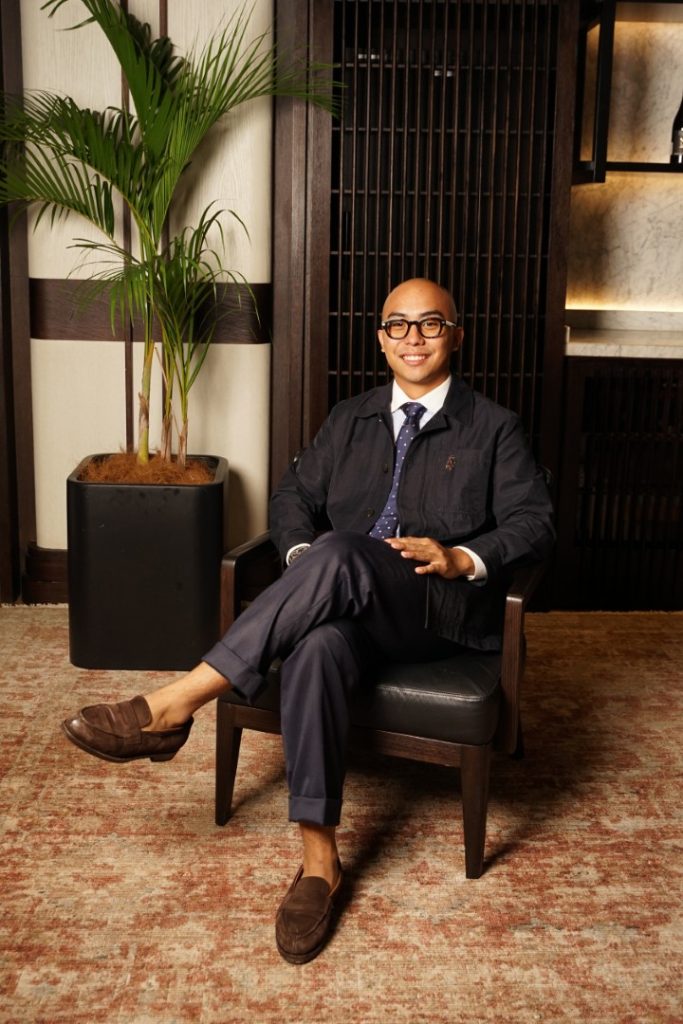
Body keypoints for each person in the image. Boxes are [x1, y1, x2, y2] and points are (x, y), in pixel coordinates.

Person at [62, 277, 554, 965]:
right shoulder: (349, 418)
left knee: (342, 550)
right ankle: (320, 862)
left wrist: (460, 557)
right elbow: (293, 496)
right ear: (380, 338)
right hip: (342, 598)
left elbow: (534, 523)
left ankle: (176, 703)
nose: (412, 338)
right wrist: (302, 559)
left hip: (432, 610)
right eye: (397, 324)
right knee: (318, 641)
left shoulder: (493, 427)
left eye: (430, 324)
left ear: (456, 336)